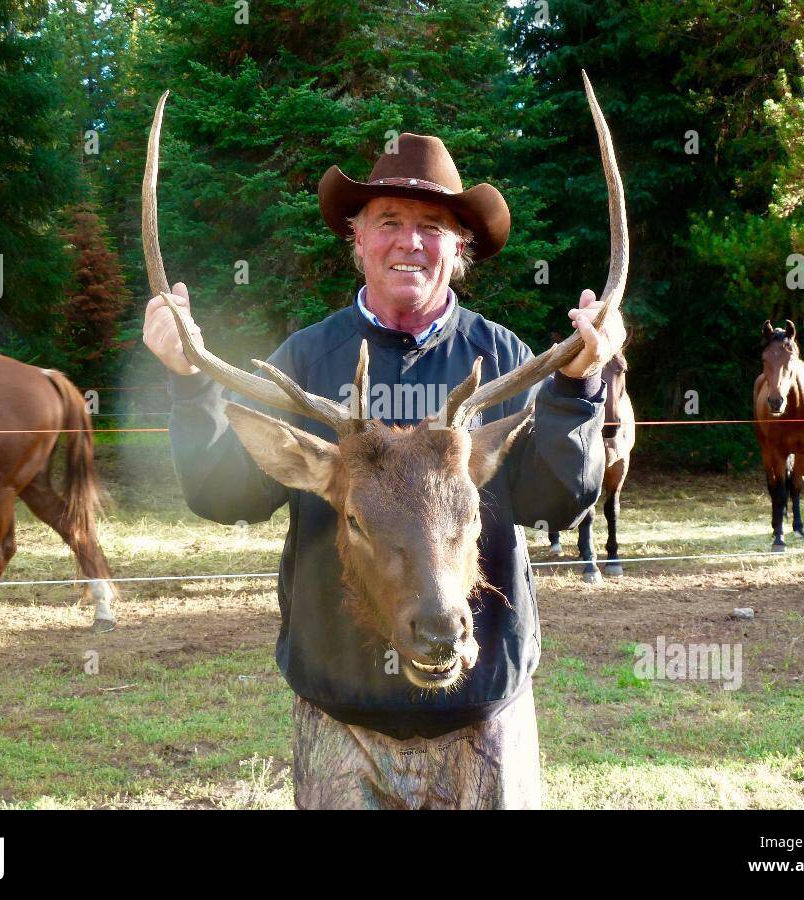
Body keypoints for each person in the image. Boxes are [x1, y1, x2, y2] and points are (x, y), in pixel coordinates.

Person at [143, 132, 625, 809]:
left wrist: (576, 390)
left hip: (481, 721)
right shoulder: (308, 360)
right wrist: (190, 386)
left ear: (460, 249)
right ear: (358, 239)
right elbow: (224, 494)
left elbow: (557, 503)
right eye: (389, 223)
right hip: (343, 724)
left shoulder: (506, 357)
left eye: (432, 226)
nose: (410, 242)